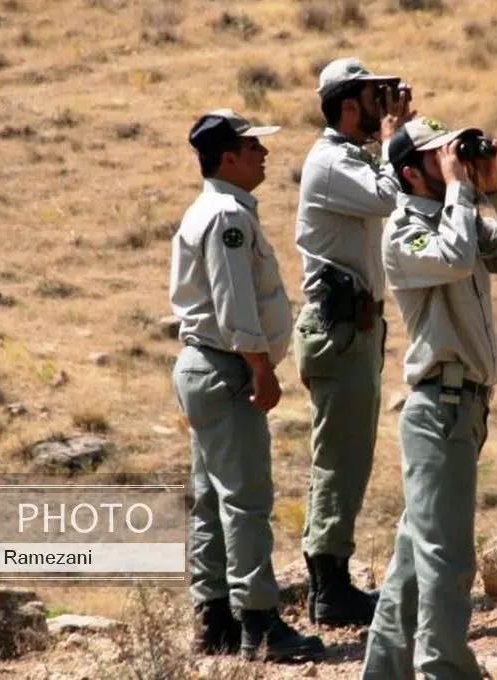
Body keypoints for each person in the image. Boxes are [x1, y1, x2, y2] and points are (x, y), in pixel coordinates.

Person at [361, 116, 497, 680]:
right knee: (447, 560)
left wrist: (493, 187)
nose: (451, 161)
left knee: (413, 560)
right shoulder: (403, 232)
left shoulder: (461, 216)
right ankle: (445, 668)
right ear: (411, 173)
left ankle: (384, 671)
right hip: (438, 409)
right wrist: (462, 192)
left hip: (464, 407)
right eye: (437, 156)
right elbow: (454, 257)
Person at [169, 108, 325, 663]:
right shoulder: (227, 216)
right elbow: (235, 301)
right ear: (228, 156)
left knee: (212, 499)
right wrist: (261, 366)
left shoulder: (209, 209)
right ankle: (259, 623)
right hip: (226, 366)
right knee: (247, 498)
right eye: (252, 146)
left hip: (203, 365)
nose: (264, 154)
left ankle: (214, 623)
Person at [292, 56, 414, 627]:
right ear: (347, 104)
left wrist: (394, 137)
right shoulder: (330, 163)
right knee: (341, 458)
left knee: (348, 455)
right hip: (338, 330)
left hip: (353, 328)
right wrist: (395, 139)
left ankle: (330, 579)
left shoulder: (350, 160)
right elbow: (391, 197)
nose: (382, 105)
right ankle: (329, 588)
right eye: (373, 97)